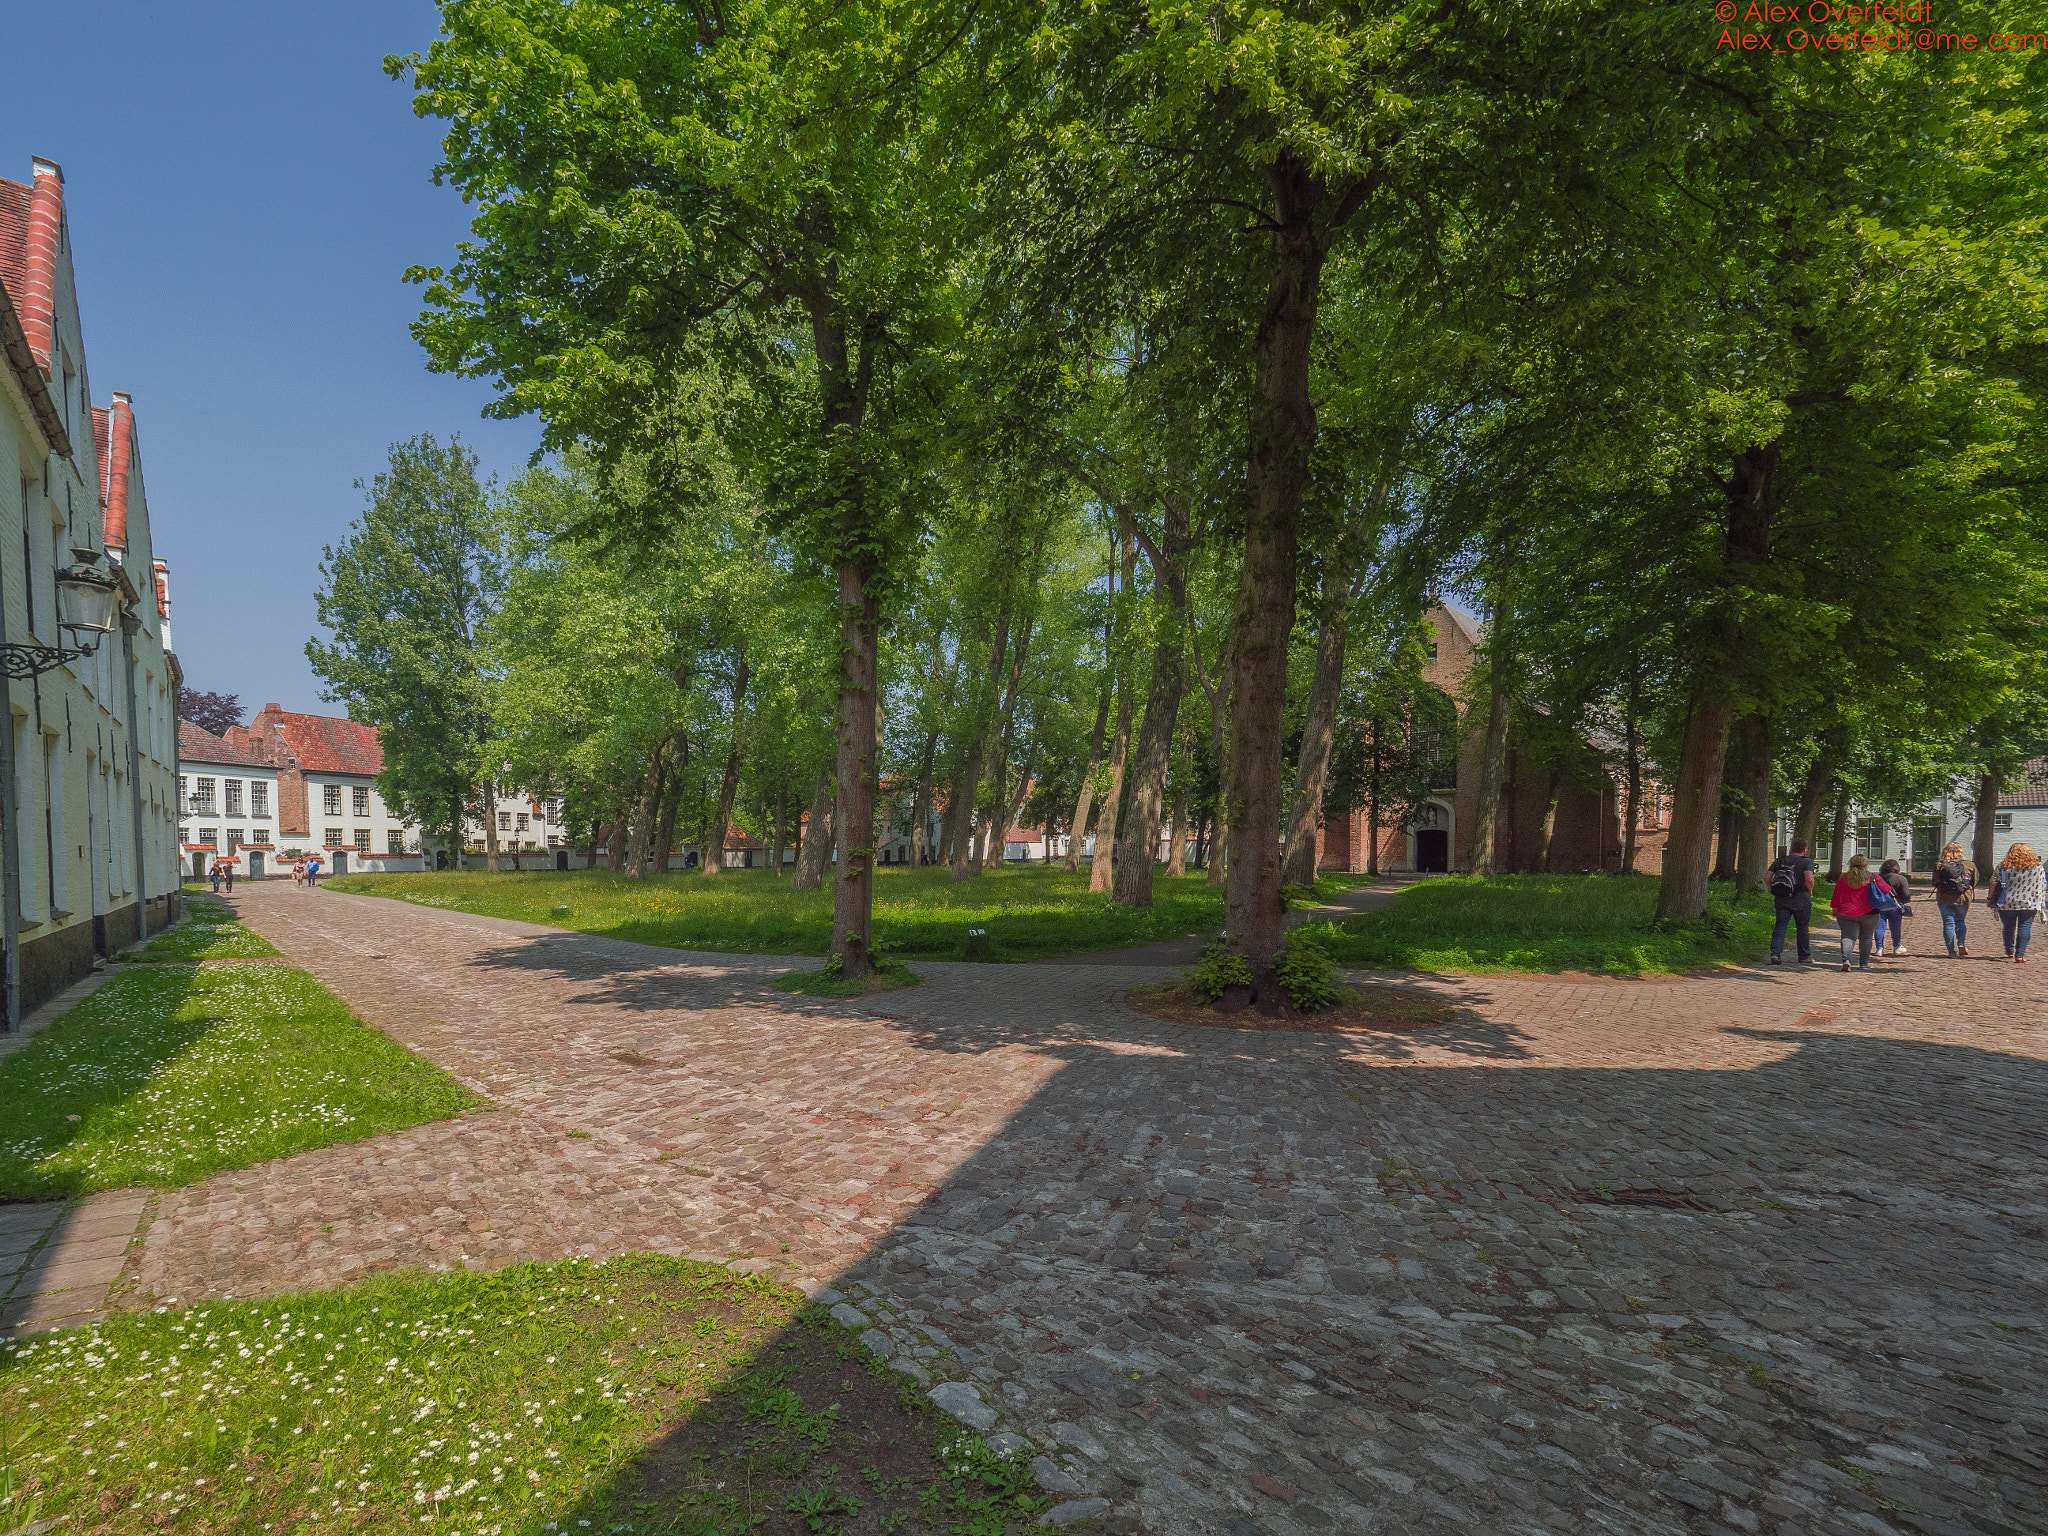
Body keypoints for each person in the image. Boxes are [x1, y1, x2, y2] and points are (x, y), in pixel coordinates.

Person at [1766, 837, 1816, 964]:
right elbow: (1809, 879)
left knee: (1780, 926)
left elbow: (1767, 877)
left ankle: (1775, 954)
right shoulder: (1806, 862)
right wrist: (1810, 891)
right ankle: (1804, 956)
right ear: (1805, 849)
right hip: (1801, 899)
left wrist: (1774, 888)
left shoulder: (1780, 861)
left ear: (1791, 848)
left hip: (1782, 899)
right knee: (1802, 928)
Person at [1992, 841, 2043, 963]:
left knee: (2008, 927)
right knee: (2024, 927)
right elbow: (2041, 885)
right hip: (2029, 902)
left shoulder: (2004, 866)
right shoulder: (2037, 867)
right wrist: (2040, 904)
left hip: (2007, 902)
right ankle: (2019, 955)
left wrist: (1990, 899)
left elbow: (1994, 881)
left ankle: (2009, 950)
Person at [1829, 853, 1882, 971]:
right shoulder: (1872, 878)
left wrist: (1835, 908)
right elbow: (1886, 890)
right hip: (1870, 912)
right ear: (1866, 865)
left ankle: (1846, 960)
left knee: (1848, 937)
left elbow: (1836, 895)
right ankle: (1864, 964)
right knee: (1866, 938)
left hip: (1846, 912)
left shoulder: (1843, 878)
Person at [1931, 842, 1975, 957]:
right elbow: (1974, 881)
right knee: (1960, 921)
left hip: (1944, 897)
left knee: (1948, 923)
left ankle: (1951, 951)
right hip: (1963, 898)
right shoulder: (1969, 865)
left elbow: (1934, 881)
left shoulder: (1939, 865)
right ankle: (1961, 943)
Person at [1876, 858, 1910, 956]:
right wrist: (1903, 901)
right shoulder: (1901, 878)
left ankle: (1879, 948)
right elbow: (1906, 893)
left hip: (1880, 905)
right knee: (1895, 927)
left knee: (1879, 927)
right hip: (1895, 905)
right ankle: (1897, 946)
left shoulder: (1877, 878)